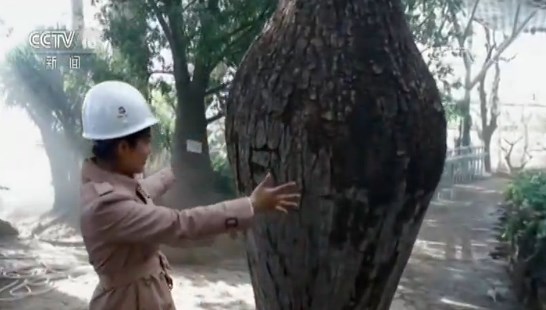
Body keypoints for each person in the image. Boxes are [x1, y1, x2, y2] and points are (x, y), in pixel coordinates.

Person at [79, 80, 301, 310]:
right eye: (146, 142)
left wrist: (173, 172)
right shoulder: (107, 206)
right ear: (123, 147)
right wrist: (250, 205)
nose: (149, 150)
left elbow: (141, 191)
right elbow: (180, 224)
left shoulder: (109, 183)